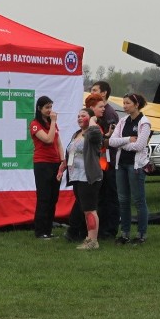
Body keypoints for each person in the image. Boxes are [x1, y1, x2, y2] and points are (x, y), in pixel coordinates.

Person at [58, 100, 106, 250]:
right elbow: (71, 153)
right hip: (77, 177)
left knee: (90, 209)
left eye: (83, 115)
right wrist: (63, 167)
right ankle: (88, 238)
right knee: (85, 209)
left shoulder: (93, 132)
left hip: (88, 177)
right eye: (78, 116)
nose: (79, 118)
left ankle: (93, 241)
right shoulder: (77, 133)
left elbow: (97, 134)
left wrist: (93, 119)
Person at [108, 92, 152, 245]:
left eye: (127, 103)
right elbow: (112, 142)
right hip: (121, 164)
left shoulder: (144, 123)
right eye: (124, 103)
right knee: (123, 200)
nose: (125, 106)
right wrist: (127, 140)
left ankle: (141, 234)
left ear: (136, 104)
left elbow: (140, 145)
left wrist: (123, 144)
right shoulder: (123, 121)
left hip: (135, 166)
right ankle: (125, 233)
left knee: (138, 200)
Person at [30, 95, 64, 239]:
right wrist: (54, 121)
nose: (50, 110)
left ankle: (48, 230)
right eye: (47, 107)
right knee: (44, 197)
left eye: (51, 107)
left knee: (53, 198)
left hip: (55, 163)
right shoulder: (35, 124)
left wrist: (62, 160)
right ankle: (40, 231)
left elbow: (58, 143)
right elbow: (49, 140)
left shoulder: (52, 124)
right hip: (42, 164)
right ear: (39, 109)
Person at [90, 80, 120, 239]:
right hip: (101, 163)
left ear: (104, 93)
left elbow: (112, 140)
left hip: (109, 163)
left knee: (110, 197)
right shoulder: (96, 113)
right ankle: (101, 229)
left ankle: (110, 230)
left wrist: (102, 139)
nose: (91, 92)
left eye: (95, 90)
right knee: (101, 198)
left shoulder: (109, 113)